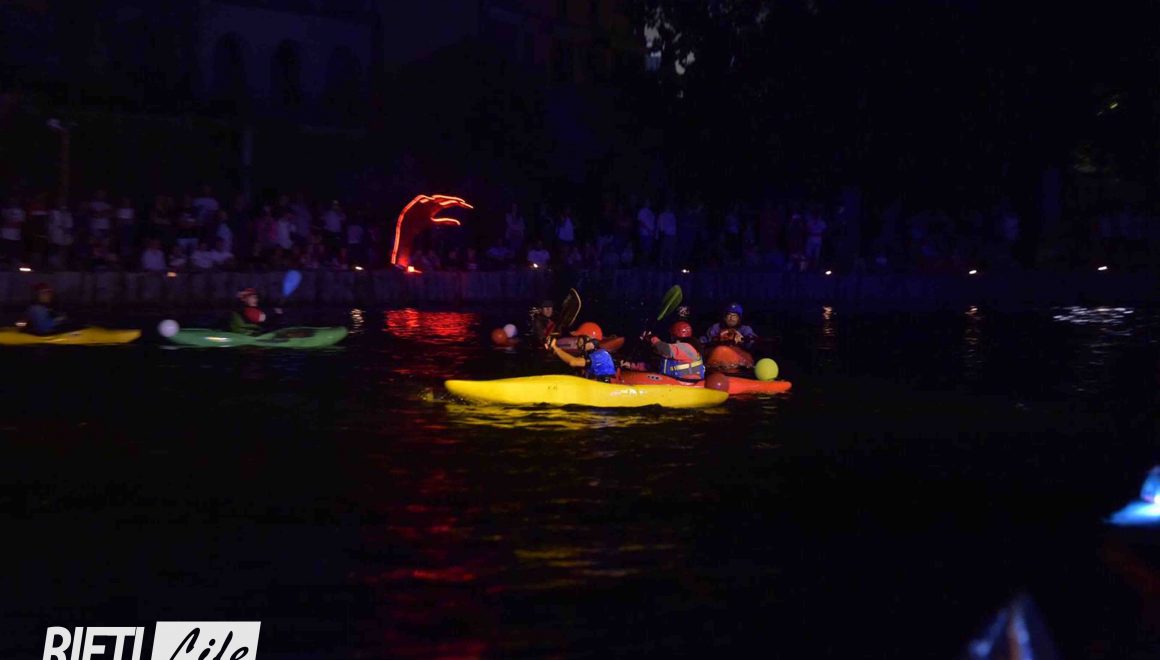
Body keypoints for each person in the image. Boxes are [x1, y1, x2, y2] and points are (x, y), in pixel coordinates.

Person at [620, 321, 705, 382]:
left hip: (686, 382)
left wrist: (651, 337)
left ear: (673, 335)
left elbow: (662, 348)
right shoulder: (680, 349)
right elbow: (656, 366)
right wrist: (631, 365)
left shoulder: (686, 347)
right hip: (676, 381)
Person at [547, 323, 617, 382]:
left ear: (591, 341)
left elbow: (573, 362)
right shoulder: (588, 355)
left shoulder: (602, 355)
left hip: (604, 390)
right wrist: (553, 350)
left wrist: (555, 348)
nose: (577, 343)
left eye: (580, 339)